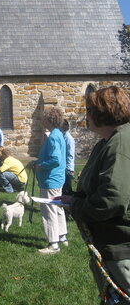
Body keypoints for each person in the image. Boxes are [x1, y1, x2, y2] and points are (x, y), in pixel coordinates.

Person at [60, 86, 130, 304]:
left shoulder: (120, 143)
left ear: (102, 112)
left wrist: (77, 208)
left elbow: (111, 199)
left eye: (88, 110)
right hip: (110, 244)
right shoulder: (108, 142)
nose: (86, 115)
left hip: (120, 246)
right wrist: (75, 198)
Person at [31, 106, 67, 254]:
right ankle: (62, 236)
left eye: (43, 118)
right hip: (56, 178)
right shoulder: (58, 134)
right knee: (58, 208)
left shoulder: (53, 136)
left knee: (49, 211)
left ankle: (53, 244)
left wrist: (40, 166)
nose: (41, 121)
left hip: (50, 179)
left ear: (49, 120)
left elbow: (55, 160)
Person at [60, 119, 75, 195]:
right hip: (63, 167)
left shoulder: (68, 138)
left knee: (66, 190)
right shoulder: (63, 136)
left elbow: (70, 155)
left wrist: (69, 169)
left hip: (67, 169)